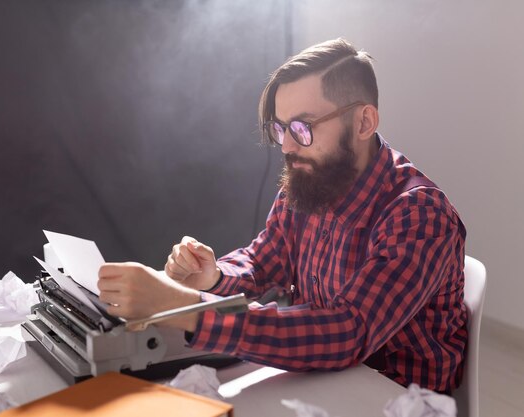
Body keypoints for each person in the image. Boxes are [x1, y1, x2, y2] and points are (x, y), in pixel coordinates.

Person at [97, 38, 467, 394]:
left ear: (364, 123)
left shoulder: (419, 215)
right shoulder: (311, 180)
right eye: (281, 128)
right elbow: (262, 261)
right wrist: (215, 276)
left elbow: (347, 333)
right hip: (325, 381)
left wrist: (183, 307)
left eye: (304, 127)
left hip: (395, 399)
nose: (288, 146)